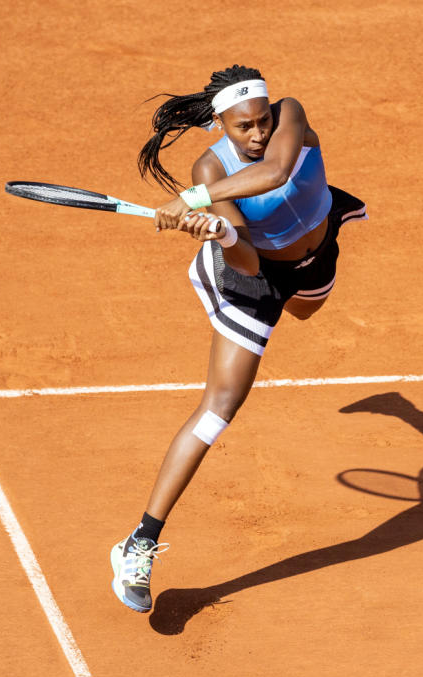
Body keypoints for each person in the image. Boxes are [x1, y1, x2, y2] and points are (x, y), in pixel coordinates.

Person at [110, 65, 367, 613]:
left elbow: (277, 172)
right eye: (243, 127)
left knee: (305, 313)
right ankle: (142, 540)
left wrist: (197, 198)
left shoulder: (290, 117)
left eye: (263, 121)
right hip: (255, 275)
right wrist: (221, 230)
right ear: (221, 125)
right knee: (219, 408)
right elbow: (248, 260)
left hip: (315, 257)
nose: (258, 135)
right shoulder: (211, 164)